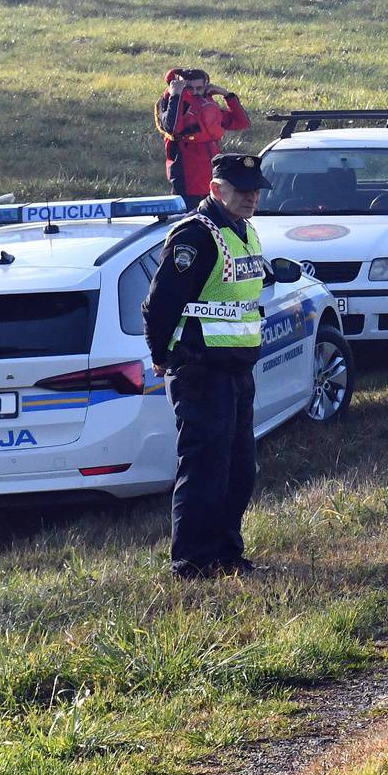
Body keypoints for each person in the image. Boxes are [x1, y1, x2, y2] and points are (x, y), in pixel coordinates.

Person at [142, 153, 274, 579]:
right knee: (204, 468)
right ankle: (193, 562)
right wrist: (161, 356)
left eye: (255, 190)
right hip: (200, 369)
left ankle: (227, 554)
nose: (251, 197)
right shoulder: (196, 237)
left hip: (236, 368)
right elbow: (160, 305)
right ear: (216, 189)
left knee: (238, 470)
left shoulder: (245, 232)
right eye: (242, 189)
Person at [157, 69, 250, 209]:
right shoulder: (171, 100)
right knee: (188, 218)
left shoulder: (207, 103)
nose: (194, 92)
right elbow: (172, 127)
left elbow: (241, 122)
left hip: (212, 176)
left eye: (199, 88)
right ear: (179, 85)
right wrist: (175, 95)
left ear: (206, 86)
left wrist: (227, 95)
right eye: (189, 87)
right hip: (187, 178)